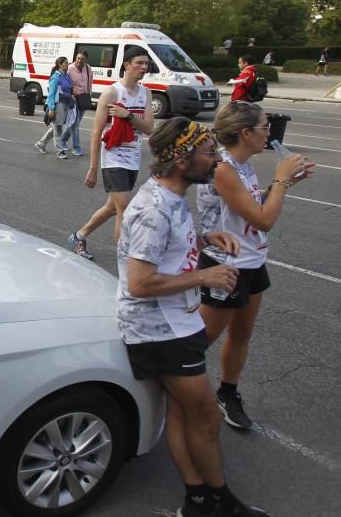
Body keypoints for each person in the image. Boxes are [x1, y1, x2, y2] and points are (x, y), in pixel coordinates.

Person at [118, 116, 270, 517]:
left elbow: (160, 251)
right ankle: (218, 500)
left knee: (186, 412)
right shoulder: (154, 209)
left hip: (175, 319)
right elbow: (140, 282)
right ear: (183, 160)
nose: (216, 158)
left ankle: (200, 499)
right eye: (207, 152)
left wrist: (205, 238)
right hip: (158, 327)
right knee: (204, 416)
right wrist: (206, 274)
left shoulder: (171, 195)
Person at [197, 102, 314, 430]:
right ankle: (164, 386)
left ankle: (227, 393)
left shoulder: (244, 166)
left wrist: (278, 186)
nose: (270, 134)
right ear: (245, 133)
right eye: (265, 128)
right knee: (200, 338)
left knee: (242, 332)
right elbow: (264, 220)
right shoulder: (222, 167)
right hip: (225, 263)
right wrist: (282, 182)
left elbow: (251, 205)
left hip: (251, 260)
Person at [69, 45, 154, 260]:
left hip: (133, 157)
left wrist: (128, 116)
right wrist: (93, 168)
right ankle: (125, 262)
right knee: (124, 209)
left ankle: (79, 235)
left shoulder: (145, 93)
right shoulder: (112, 93)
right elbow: (96, 132)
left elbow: (149, 128)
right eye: (139, 63)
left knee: (113, 208)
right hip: (113, 156)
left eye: (146, 64)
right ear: (127, 65)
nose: (144, 67)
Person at [34, 57, 73, 158]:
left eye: (67, 63)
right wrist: (51, 108)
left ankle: (41, 144)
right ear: (59, 64)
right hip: (57, 105)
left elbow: (68, 89)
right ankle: (59, 151)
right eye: (65, 63)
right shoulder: (56, 77)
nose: (67, 65)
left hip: (65, 104)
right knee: (57, 128)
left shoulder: (66, 76)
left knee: (56, 127)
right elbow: (51, 94)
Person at [67, 51, 93, 156]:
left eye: (82, 59)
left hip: (84, 99)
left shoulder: (88, 68)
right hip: (73, 98)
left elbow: (90, 81)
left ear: (85, 59)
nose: (79, 60)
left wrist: (89, 93)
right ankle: (77, 148)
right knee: (75, 124)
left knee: (74, 124)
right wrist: (70, 95)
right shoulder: (69, 68)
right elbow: (65, 83)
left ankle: (63, 141)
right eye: (78, 58)